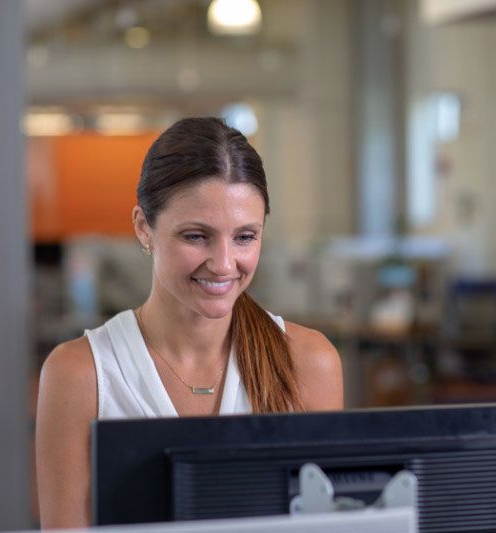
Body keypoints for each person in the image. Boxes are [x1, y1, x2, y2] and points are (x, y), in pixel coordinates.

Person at [35, 117, 344, 528]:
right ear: (144, 228)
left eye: (245, 237)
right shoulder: (80, 374)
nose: (223, 264)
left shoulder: (309, 363)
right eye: (196, 236)